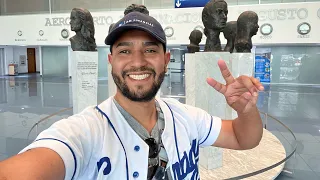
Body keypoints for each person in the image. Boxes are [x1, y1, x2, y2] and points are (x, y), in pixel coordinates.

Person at [0, 12, 264, 180]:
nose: (138, 62)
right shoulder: (84, 133)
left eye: (150, 50)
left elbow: (244, 138)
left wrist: (246, 110)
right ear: (111, 61)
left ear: (166, 60)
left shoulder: (187, 117)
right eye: (125, 51)